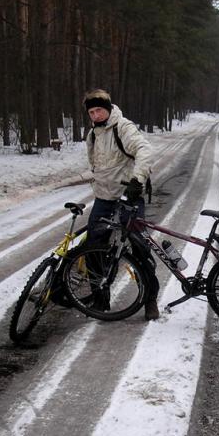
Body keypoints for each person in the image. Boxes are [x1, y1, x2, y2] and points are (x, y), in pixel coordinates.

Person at [84, 89, 159, 320]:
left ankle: (150, 300)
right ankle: (100, 296)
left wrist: (137, 181)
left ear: (108, 108)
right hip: (104, 198)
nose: (95, 115)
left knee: (140, 248)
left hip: (129, 198)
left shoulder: (122, 127)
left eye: (99, 110)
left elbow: (145, 150)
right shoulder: (93, 134)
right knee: (93, 247)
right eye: (91, 112)